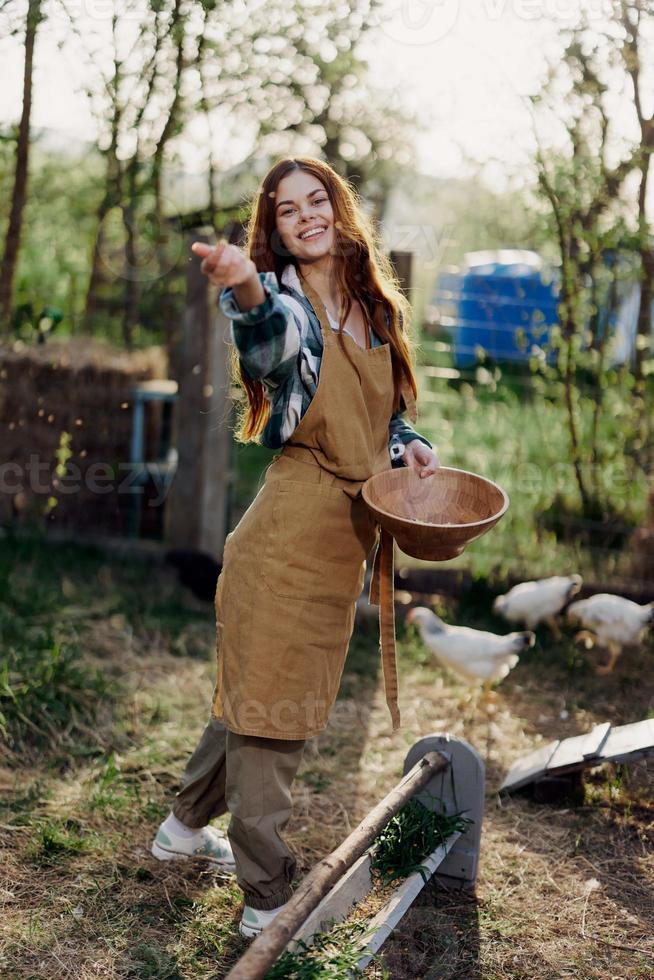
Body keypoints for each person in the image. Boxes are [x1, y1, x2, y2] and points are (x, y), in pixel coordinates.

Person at [151, 156, 439, 938]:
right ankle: (267, 897)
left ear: (340, 208)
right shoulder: (286, 302)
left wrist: (409, 447)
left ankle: (182, 827)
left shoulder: (375, 307)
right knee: (273, 719)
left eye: (318, 200)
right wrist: (244, 284)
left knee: (257, 690)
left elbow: (390, 418)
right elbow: (266, 344)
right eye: (287, 210)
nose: (307, 215)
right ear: (272, 230)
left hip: (344, 537)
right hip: (286, 539)